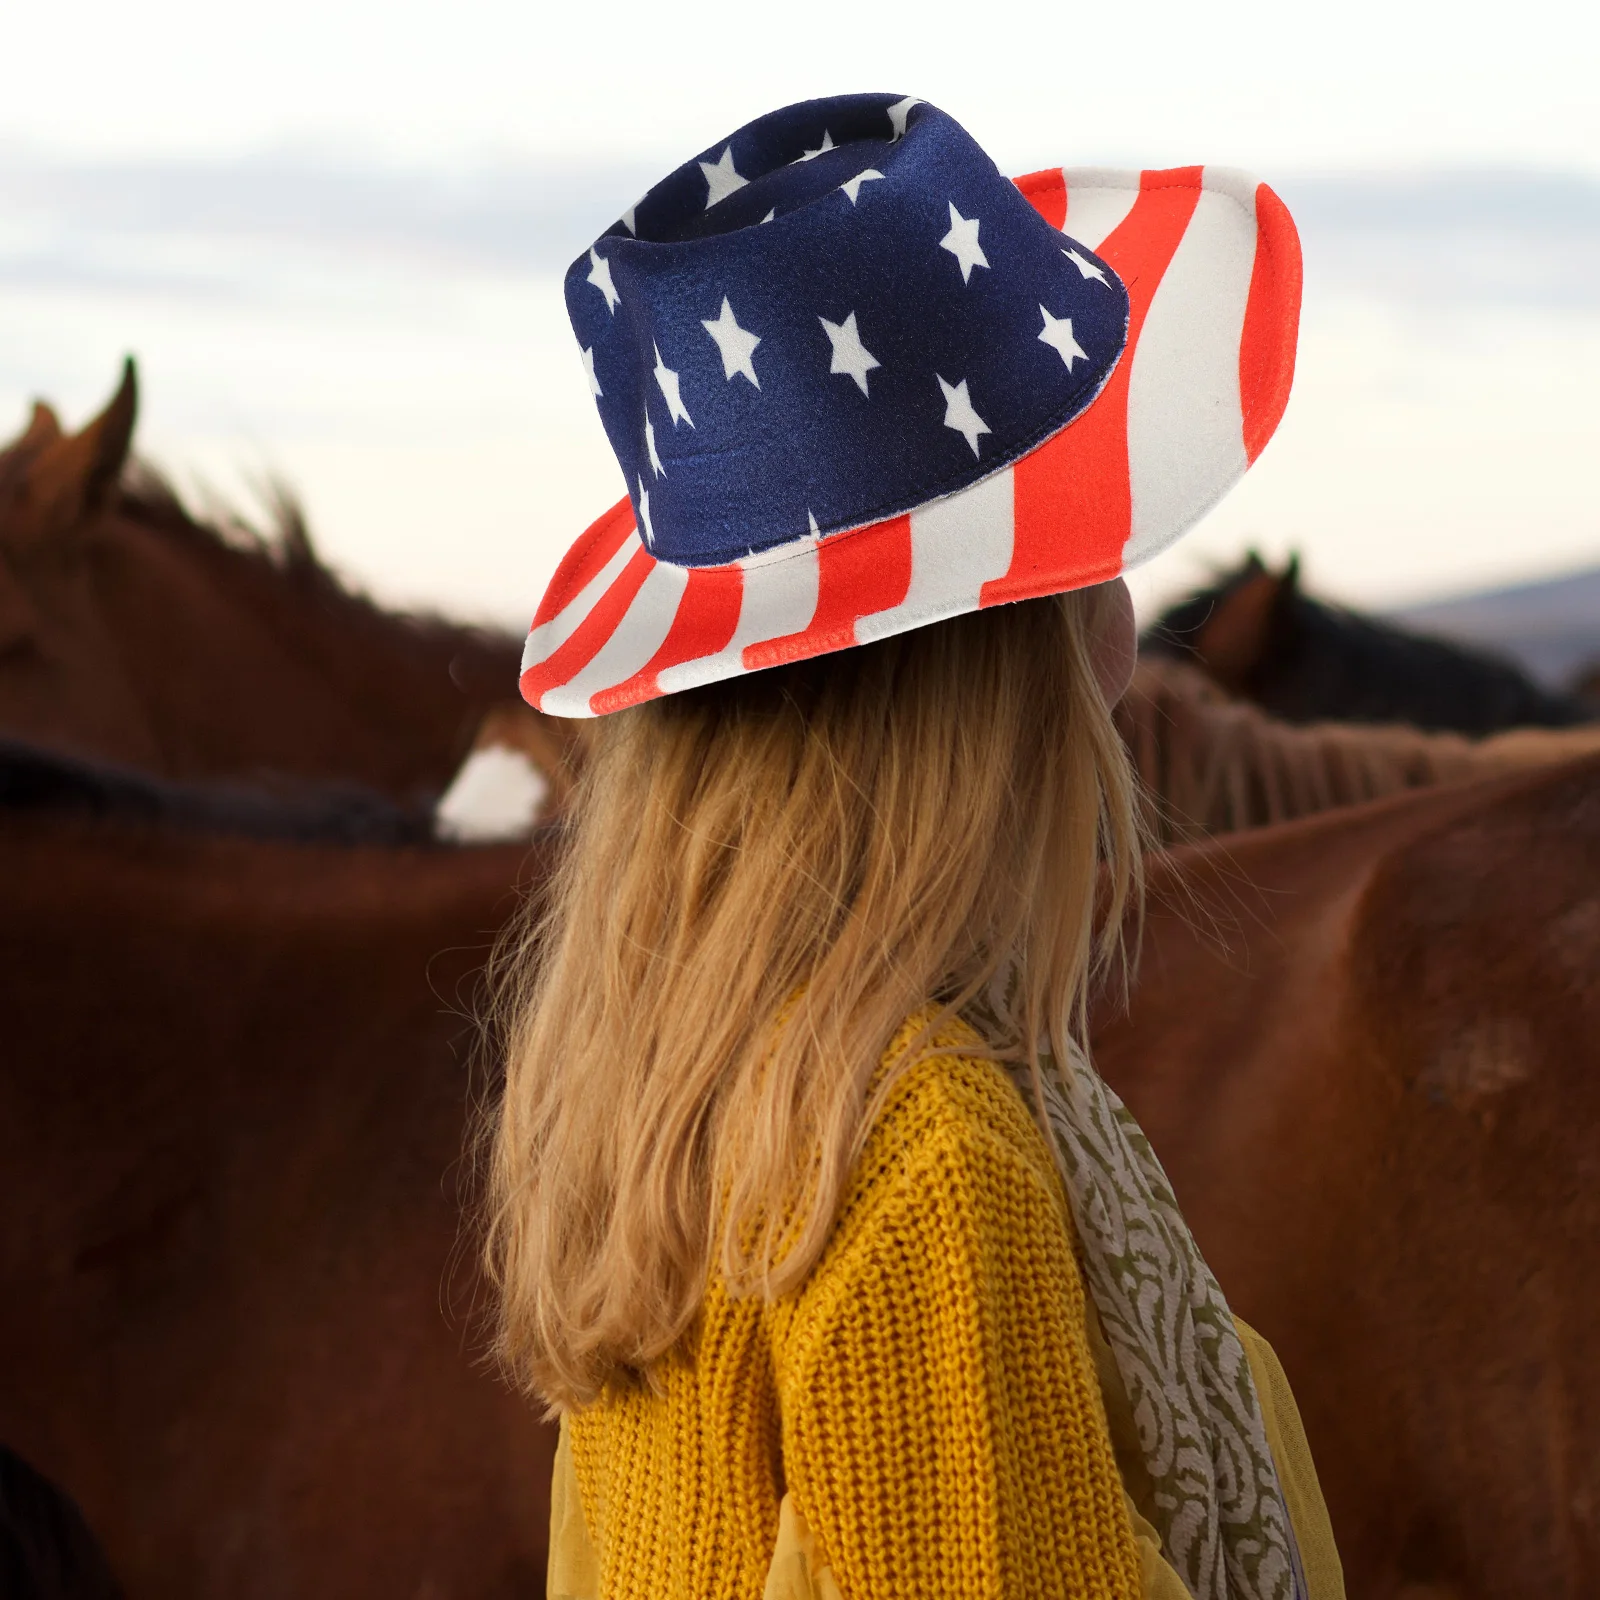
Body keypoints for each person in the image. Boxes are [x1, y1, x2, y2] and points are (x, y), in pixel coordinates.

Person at [486, 93, 1343, 1599]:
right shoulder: (923, 1156)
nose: (1127, 633)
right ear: (1007, 660)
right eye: (1091, 550)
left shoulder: (676, 1109)